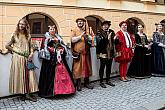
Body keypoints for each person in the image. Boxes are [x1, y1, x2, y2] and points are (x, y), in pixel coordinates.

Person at [6, 19, 38, 102]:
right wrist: (16, 51)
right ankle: (23, 93)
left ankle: (28, 94)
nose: (21, 26)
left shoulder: (28, 35)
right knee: (20, 75)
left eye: (23, 24)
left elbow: (32, 46)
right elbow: (7, 45)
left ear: (26, 25)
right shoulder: (15, 34)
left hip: (27, 58)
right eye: (20, 24)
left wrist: (31, 54)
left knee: (29, 75)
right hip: (17, 58)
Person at [38, 25, 75, 98]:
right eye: (51, 29)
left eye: (54, 29)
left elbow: (62, 45)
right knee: (50, 75)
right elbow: (44, 47)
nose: (52, 30)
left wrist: (62, 50)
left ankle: (65, 90)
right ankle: (54, 91)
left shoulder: (58, 37)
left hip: (59, 58)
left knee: (63, 72)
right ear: (48, 30)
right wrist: (52, 50)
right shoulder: (45, 38)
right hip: (50, 59)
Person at [71, 18, 94, 91]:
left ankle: (87, 83)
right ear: (77, 23)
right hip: (78, 53)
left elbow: (93, 38)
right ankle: (78, 84)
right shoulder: (74, 30)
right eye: (79, 22)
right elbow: (72, 39)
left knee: (87, 68)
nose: (80, 23)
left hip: (86, 53)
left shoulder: (87, 30)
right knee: (77, 69)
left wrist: (89, 37)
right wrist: (80, 36)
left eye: (81, 22)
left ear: (84, 23)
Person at [96, 20, 115, 88]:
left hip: (110, 52)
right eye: (104, 25)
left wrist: (116, 39)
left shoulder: (112, 32)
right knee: (102, 67)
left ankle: (108, 80)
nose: (105, 26)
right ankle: (101, 81)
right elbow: (99, 43)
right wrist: (107, 38)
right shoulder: (99, 33)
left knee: (109, 67)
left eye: (107, 25)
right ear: (102, 26)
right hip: (103, 52)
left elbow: (114, 41)